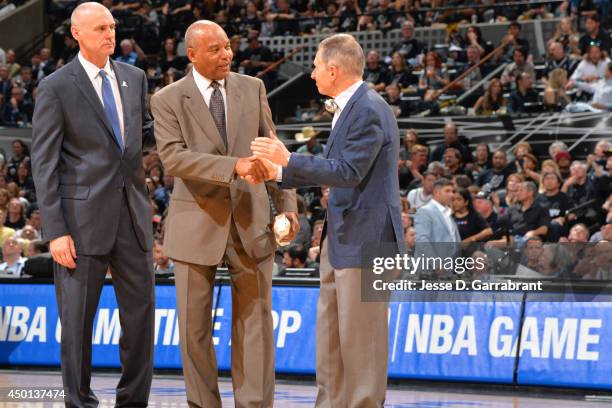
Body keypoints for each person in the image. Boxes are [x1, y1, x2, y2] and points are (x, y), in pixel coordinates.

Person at [251, 33, 405, 407]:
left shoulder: (369, 108)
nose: (313, 75)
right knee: (332, 342)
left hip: (368, 243)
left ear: (334, 70)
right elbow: (335, 171)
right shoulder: (350, 107)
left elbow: (348, 171)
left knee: (362, 346)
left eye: (316, 67)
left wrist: (287, 160)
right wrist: (278, 175)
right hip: (341, 240)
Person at [150, 20, 298, 408]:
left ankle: (254, 404)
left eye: (228, 47)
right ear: (192, 54)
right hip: (195, 224)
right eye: (215, 49)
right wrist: (234, 166)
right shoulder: (167, 99)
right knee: (194, 330)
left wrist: (288, 205)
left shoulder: (253, 87)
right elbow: (173, 157)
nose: (226, 55)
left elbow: (273, 149)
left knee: (255, 326)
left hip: (252, 223)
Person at [30, 3, 156, 406]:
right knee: (78, 323)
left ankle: (132, 400)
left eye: (113, 26)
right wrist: (55, 231)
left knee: (140, 319)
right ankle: (79, 401)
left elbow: (145, 135)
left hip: (132, 216)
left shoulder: (134, 78)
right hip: (79, 224)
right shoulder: (56, 86)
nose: (110, 33)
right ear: (77, 33)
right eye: (101, 27)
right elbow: (44, 163)